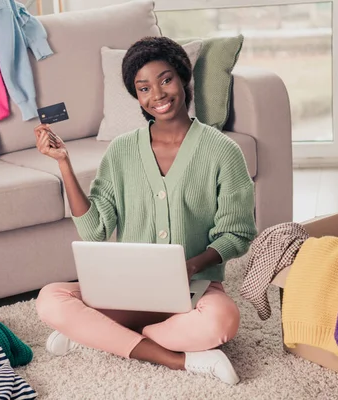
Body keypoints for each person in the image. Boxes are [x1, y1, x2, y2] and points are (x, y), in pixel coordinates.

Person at [34, 37, 257, 385]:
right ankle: (176, 358)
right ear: (136, 96)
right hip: (125, 288)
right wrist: (64, 164)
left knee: (222, 321)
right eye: (143, 88)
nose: (157, 94)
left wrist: (192, 266)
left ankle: (100, 335)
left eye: (165, 80)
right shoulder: (121, 151)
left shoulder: (223, 151)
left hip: (194, 287)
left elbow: (238, 233)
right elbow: (94, 230)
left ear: (184, 80)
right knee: (50, 300)